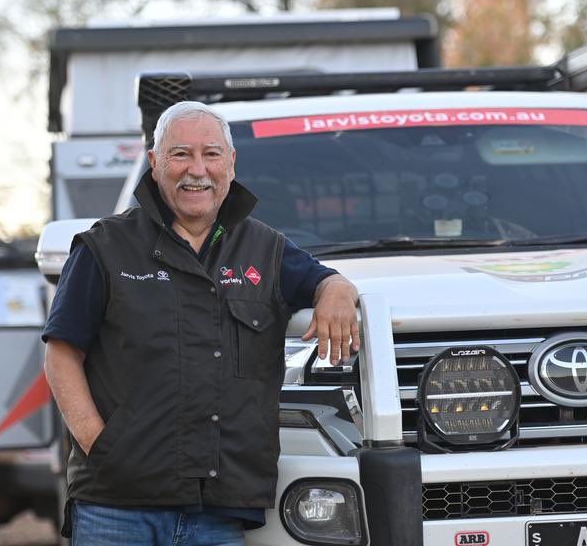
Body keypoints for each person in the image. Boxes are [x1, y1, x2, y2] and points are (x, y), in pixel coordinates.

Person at [42, 101, 360, 545]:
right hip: (115, 503)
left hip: (218, 508)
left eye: (211, 154)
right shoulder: (105, 246)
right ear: (154, 163)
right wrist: (101, 446)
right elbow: (61, 354)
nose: (197, 169)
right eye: (180, 154)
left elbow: (324, 280)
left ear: (230, 164)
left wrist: (339, 290)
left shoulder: (265, 248)